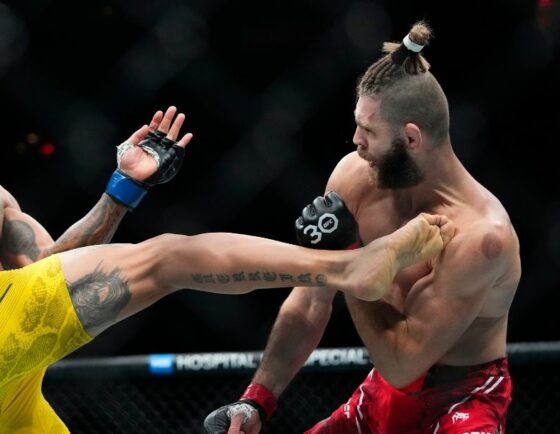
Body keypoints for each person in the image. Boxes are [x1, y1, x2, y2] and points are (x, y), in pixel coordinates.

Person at [0, 44, 451, 434]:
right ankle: (346, 269)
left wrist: (121, 190)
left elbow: (53, 268)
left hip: (3, 379)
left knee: (136, 261)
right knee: (170, 256)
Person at [205, 21, 520, 434]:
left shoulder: (482, 236)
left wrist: (352, 255)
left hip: (462, 401)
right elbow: (309, 303)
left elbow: (404, 362)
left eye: (369, 131)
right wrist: (257, 401)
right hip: (381, 393)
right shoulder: (355, 179)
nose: (355, 140)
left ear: (410, 139)